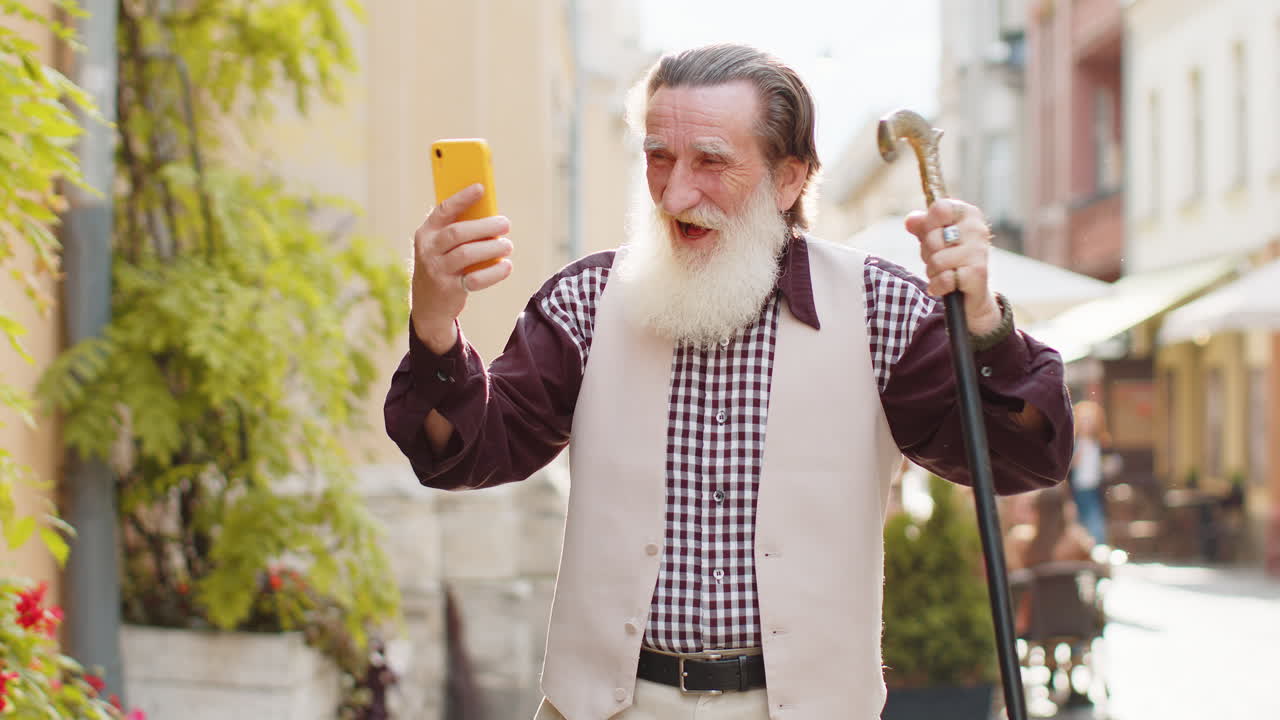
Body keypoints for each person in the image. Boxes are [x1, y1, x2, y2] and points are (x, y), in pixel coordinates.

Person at [384, 44, 1074, 720]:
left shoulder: (878, 309)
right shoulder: (589, 299)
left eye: (712, 161)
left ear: (789, 179)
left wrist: (983, 320)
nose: (677, 192)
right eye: (659, 157)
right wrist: (435, 323)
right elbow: (467, 453)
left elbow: (1021, 458)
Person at [1069, 399, 1110, 544]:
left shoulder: (1100, 443)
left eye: (1091, 420)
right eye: (1084, 420)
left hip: (1095, 488)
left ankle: (1097, 547)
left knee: (1094, 519)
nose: (1087, 424)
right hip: (1077, 488)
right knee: (1079, 520)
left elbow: (1109, 463)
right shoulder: (1072, 443)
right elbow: (1067, 469)